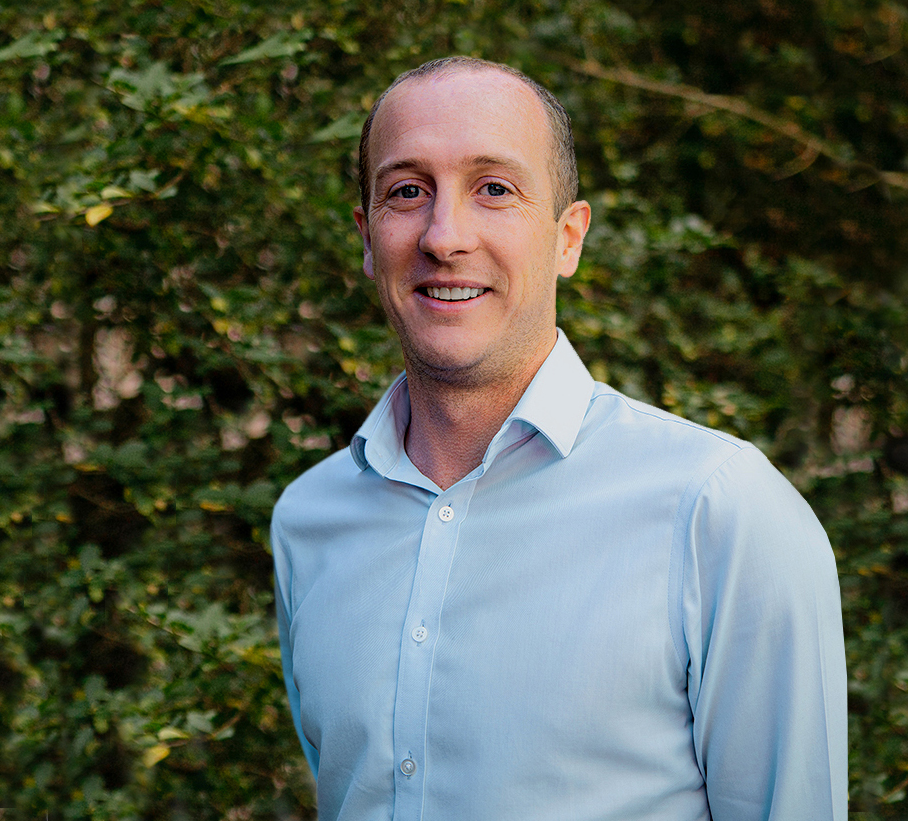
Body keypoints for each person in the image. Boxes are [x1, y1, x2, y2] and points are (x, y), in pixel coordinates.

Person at [271, 56, 848, 820]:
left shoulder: (720, 511)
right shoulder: (310, 520)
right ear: (368, 239)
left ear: (568, 238)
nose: (445, 236)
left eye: (495, 190)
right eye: (407, 192)